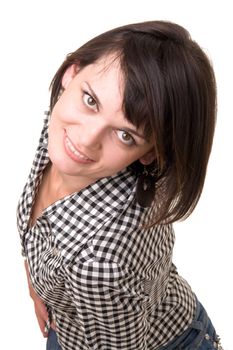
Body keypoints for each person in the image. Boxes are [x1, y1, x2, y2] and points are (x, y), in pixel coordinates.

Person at [17, 20, 223, 350]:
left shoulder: (100, 264)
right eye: (91, 101)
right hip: (79, 322)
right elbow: (36, 222)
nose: (85, 139)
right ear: (73, 72)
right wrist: (36, 284)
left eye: (126, 135)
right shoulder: (60, 131)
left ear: (149, 153)